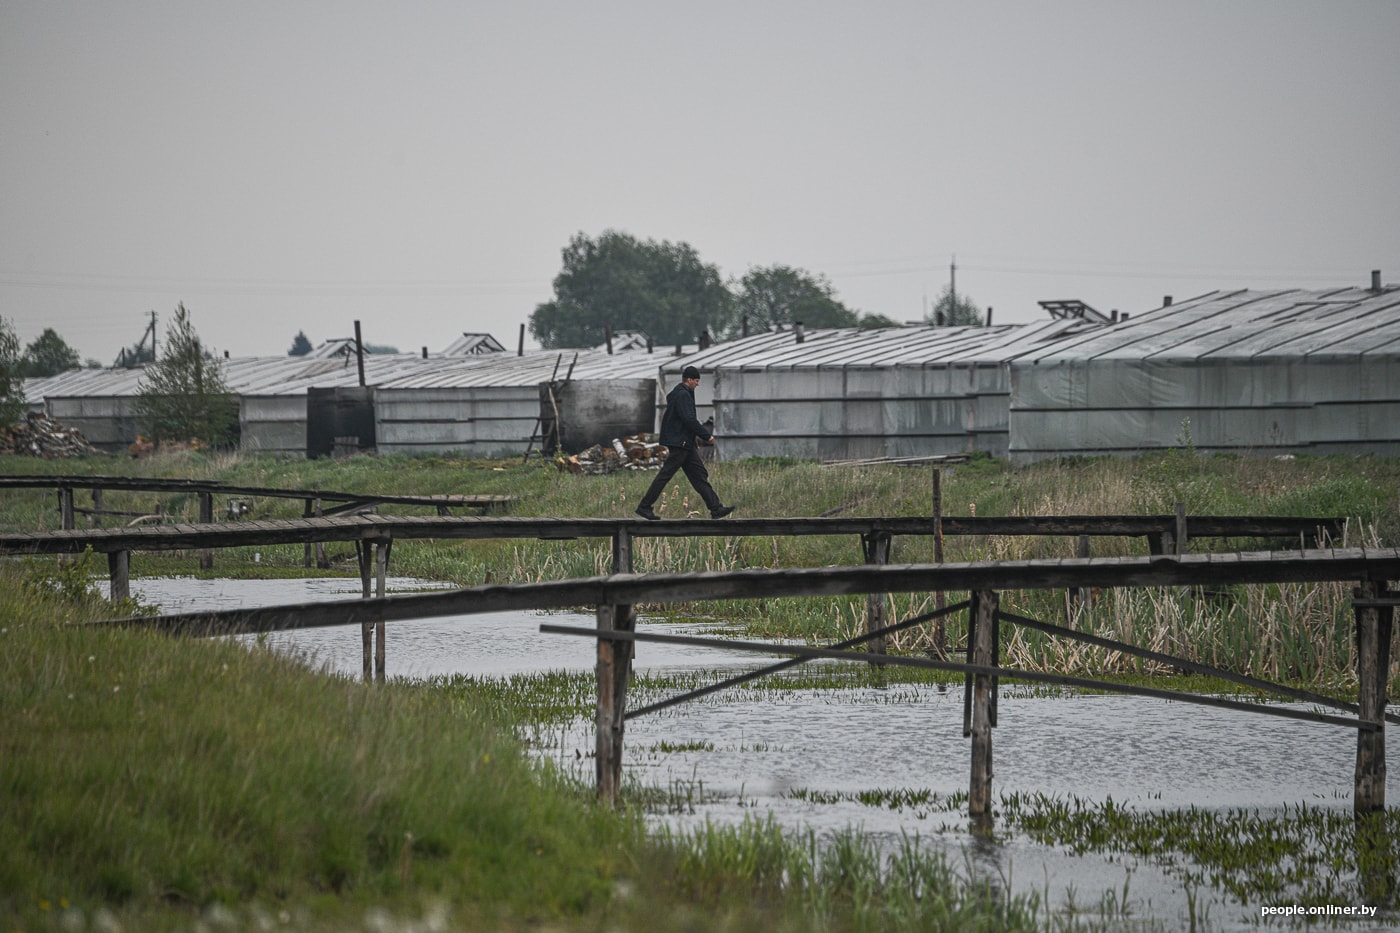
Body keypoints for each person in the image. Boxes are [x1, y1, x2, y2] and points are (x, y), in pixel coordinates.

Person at [635, 366, 735, 520]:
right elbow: (688, 419)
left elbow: (681, 419)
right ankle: (644, 506)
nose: (697, 384)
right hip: (680, 443)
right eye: (696, 380)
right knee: (665, 475)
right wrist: (705, 435)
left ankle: (716, 508)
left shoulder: (680, 393)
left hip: (684, 442)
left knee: (699, 475)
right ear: (689, 379)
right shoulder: (683, 395)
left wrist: (692, 436)